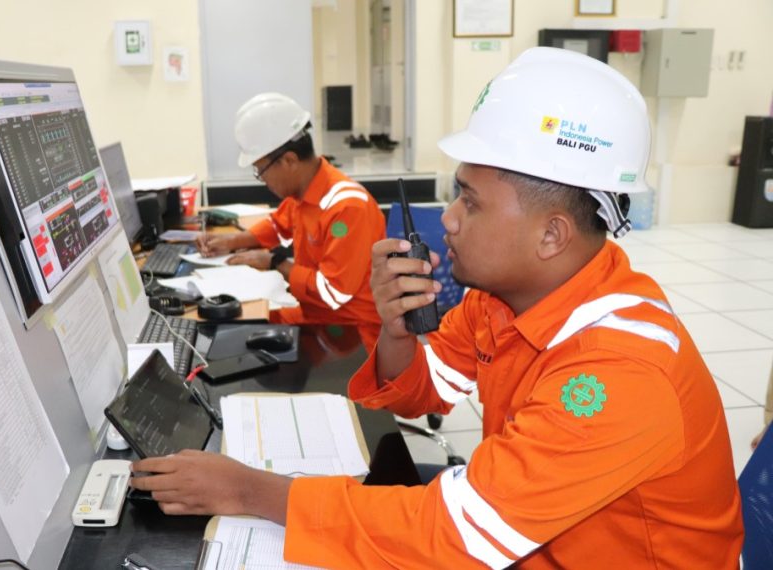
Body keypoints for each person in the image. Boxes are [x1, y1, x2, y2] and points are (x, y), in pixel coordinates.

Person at [131, 48, 743, 568]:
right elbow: (425, 390)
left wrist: (249, 491)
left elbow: (458, 535)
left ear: (551, 234)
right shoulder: (505, 299)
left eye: (470, 203)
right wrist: (397, 329)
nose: (447, 220)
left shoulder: (621, 373)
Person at [197, 93, 385, 349]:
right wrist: (230, 241)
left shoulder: (347, 208)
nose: (262, 179)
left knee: (237, 342)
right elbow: (278, 226)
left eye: (261, 170)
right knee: (230, 329)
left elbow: (333, 292)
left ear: (289, 161)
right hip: (316, 315)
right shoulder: (304, 192)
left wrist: (275, 262)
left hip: (349, 334)